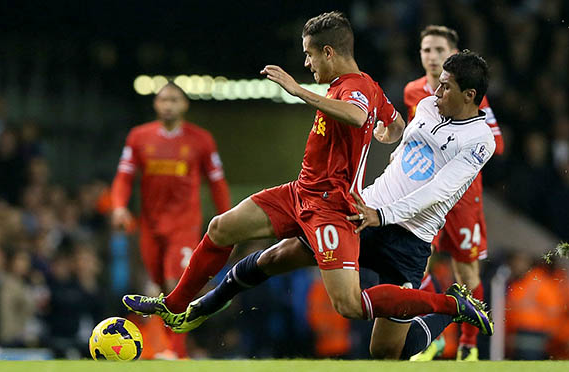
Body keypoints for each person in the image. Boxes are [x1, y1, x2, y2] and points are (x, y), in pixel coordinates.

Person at [139, 50, 496, 360]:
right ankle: (205, 304)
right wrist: (384, 154)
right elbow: (401, 139)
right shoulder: (429, 106)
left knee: (387, 352)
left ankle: (451, 308)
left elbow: (439, 189)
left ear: (469, 95)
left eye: (446, 86)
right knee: (277, 256)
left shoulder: (480, 140)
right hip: (361, 213)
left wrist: (384, 213)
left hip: (409, 236)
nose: (437, 90)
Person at [123, 10, 407, 334]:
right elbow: (395, 121)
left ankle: (448, 306)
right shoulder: (364, 86)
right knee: (221, 228)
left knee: (348, 305)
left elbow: (356, 116)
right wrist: (390, 131)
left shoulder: (355, 86)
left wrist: (298, 91)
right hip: (299, 192)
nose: (306, 64)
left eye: (309, 55)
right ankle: (173, 305)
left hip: (331, 207)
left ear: (328, 52)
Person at [404, 25, 504, 361]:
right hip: (426, 194)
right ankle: (432, 336)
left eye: (439, 50)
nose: (431, 57)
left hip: (462, 197)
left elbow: (496, 144)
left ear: (453, 55)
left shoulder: (471, 94)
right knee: (416, 266)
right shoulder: (412, 92)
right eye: (426, 50)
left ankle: (468, 345)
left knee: (466, 272)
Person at [110, 82, 231, 358]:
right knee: (155, 290)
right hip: (150, 227)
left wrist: (226, 218)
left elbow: (217, 182)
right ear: (155, 104)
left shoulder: (201, 140)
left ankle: (175, 352)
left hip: (183, 225)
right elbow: (124, 176)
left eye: (175, 100)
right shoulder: (139, 137)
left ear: (185, 105)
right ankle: (162, 347)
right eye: (164, 100)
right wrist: (118, 206)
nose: (169, 105)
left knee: (174, 281)